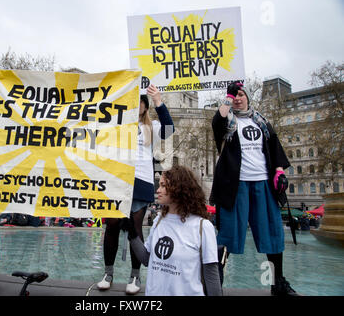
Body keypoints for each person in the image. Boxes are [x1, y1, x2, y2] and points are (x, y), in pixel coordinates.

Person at [210, 81, 298, 296]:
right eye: (234, 96)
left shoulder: (262, 121)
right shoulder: (227, 121)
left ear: (248, 98)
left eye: (241, 94)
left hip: (263, 184)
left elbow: (275, 146)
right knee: (226, 236)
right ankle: (215, 285)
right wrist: (227, 97)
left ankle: (277, 283)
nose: (238, 98)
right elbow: (217, 120)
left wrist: (279, 171)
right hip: (235, 186)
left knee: (272, 234)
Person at [97, 84, 174, 294]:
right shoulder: (117, 124)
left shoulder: (153, 127)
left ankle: (134, 275)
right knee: (111, 225)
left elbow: (170, 129)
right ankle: (108, 272)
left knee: (135, 228)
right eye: (135, 100)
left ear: (146, 105)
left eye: (142, 100)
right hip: (117, 179)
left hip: (141, 180)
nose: (138, 104)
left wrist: (158, 100)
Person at [128, 165, 222, 296]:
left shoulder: (203, 227)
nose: (158, 190)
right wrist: (131, 233)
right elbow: (146, 259)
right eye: (159, 185)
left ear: (179, 189)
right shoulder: (158, 221)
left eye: (163, 186)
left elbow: (211, 276)